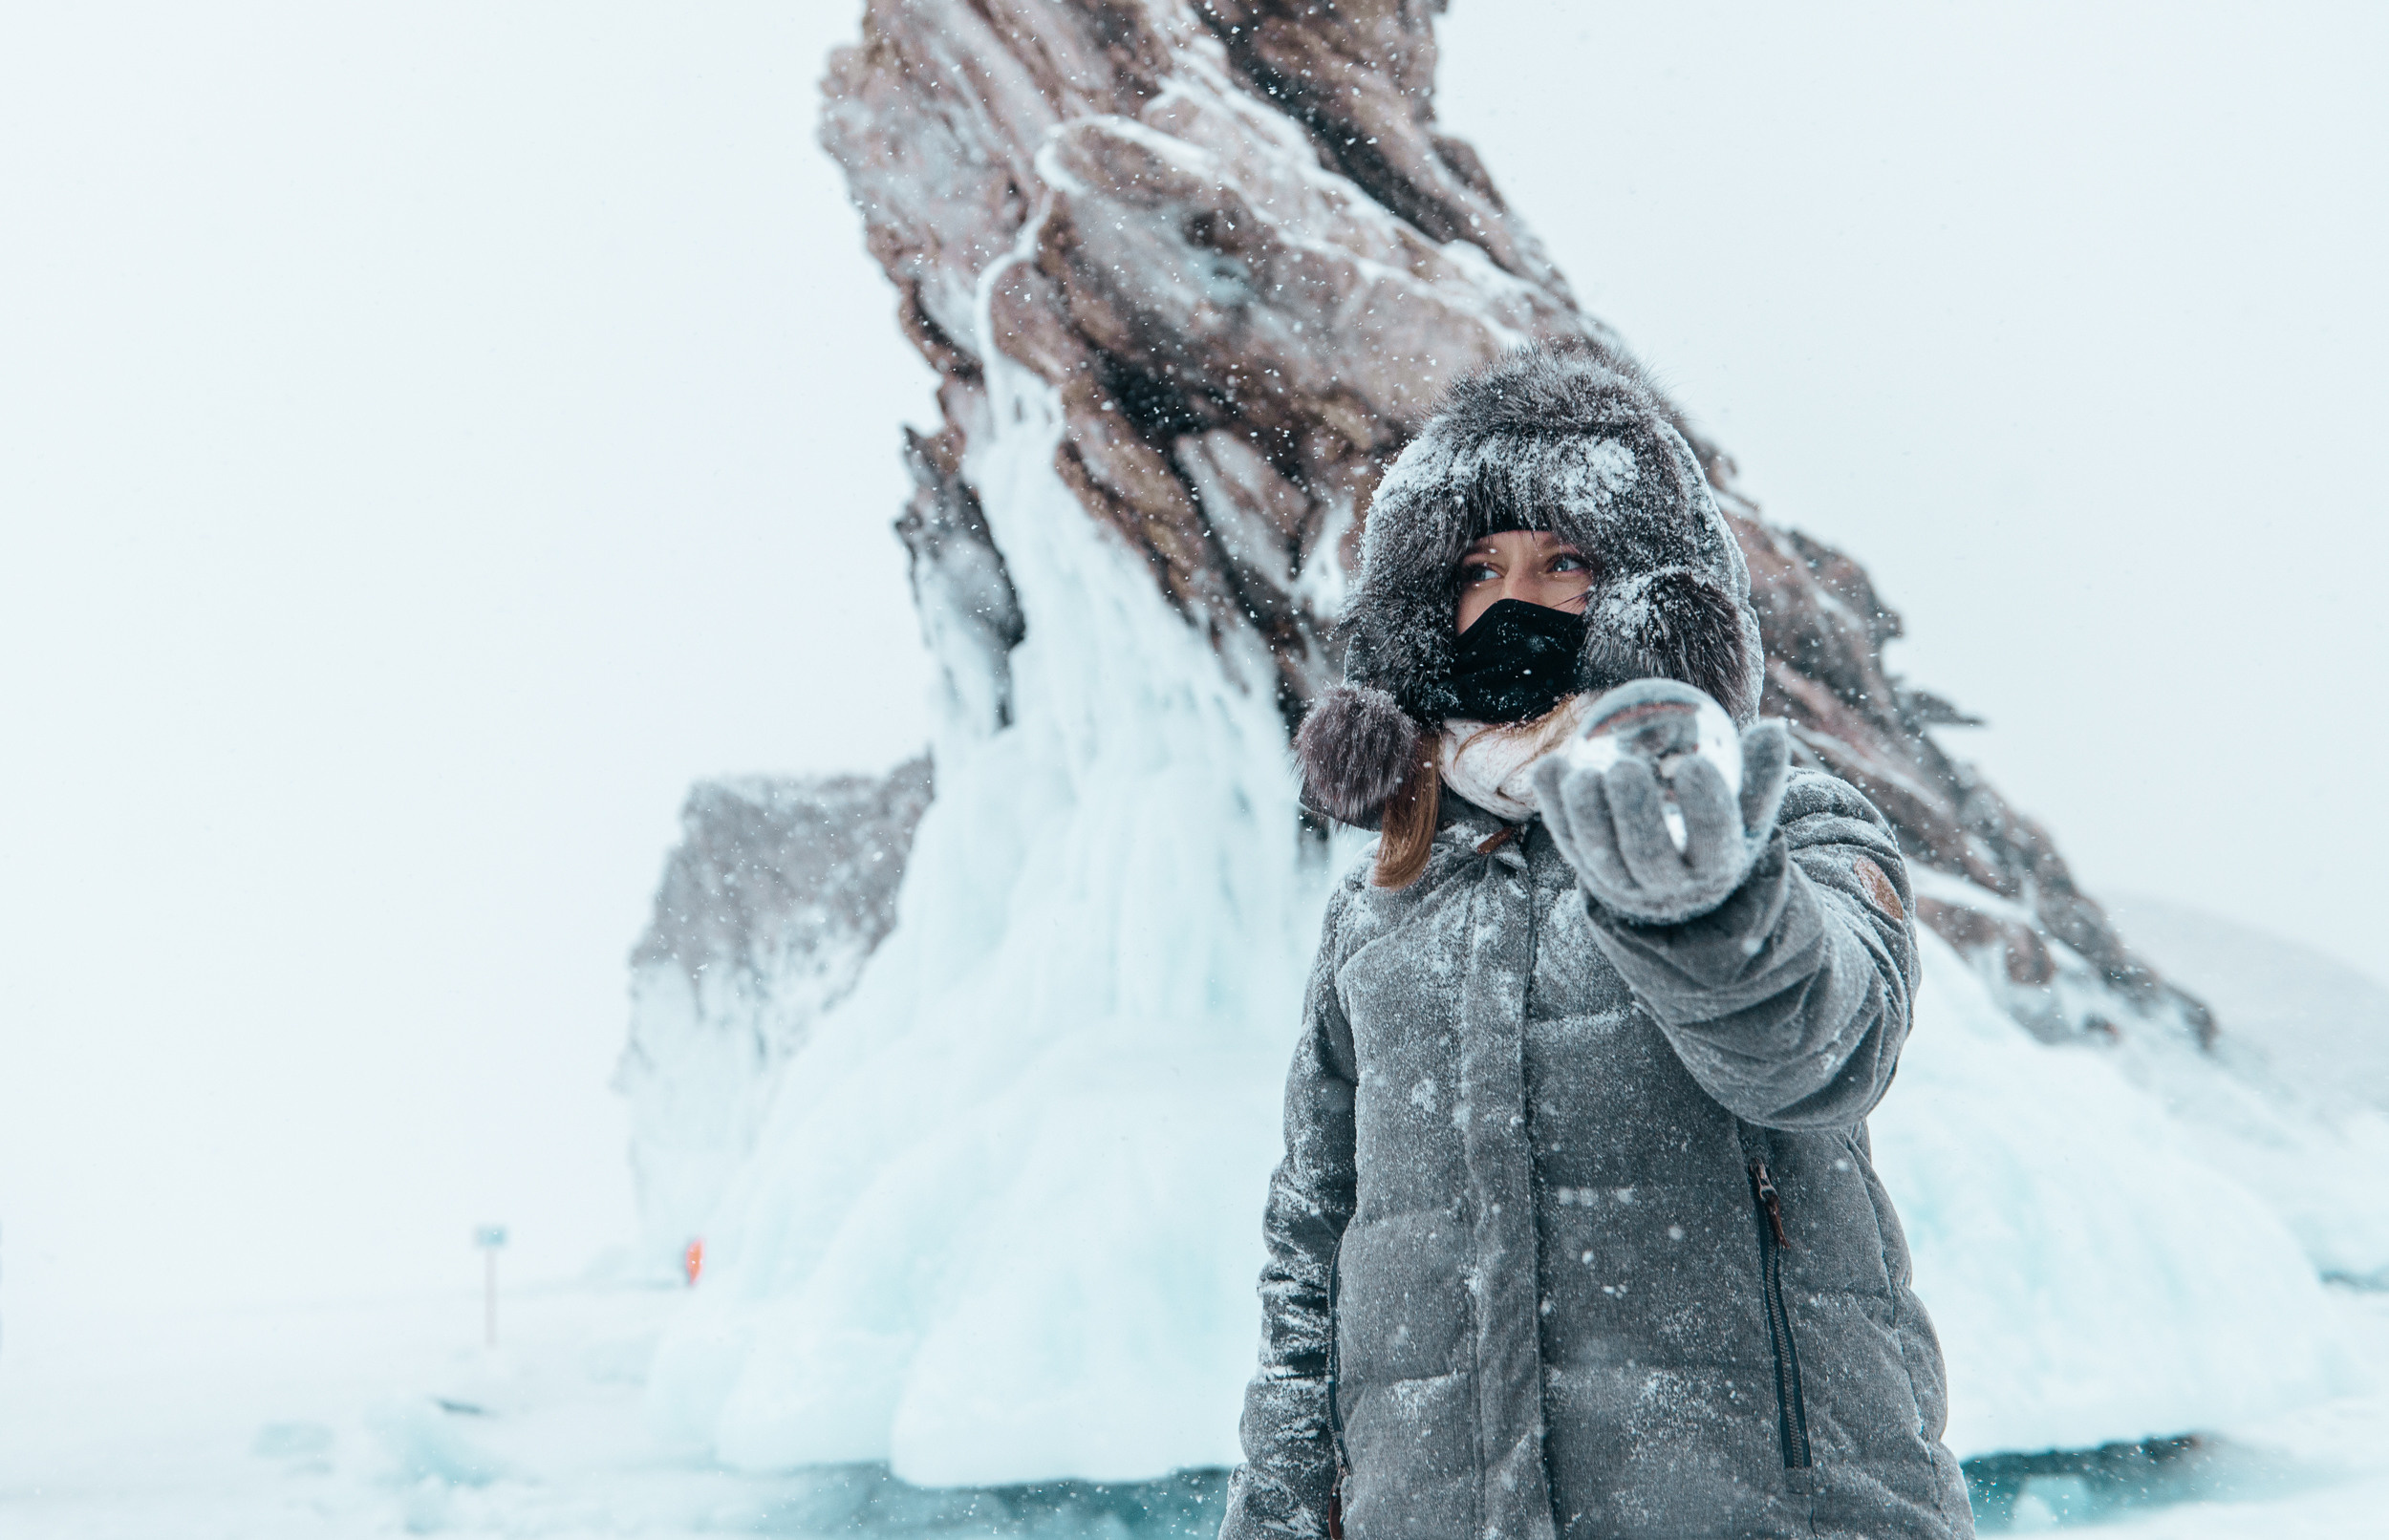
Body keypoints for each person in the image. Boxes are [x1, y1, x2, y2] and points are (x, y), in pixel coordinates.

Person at [1219, 340, 1972, 1540]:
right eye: (1477, 566)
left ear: (1644, 593)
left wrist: (1705, 909)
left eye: (1564, 560)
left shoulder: (1779, 816)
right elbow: (1312, 1245)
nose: (1513, 597)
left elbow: (1821, 1052)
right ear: (1429, 608)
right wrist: (1278, 1512)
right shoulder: (1383, 897)